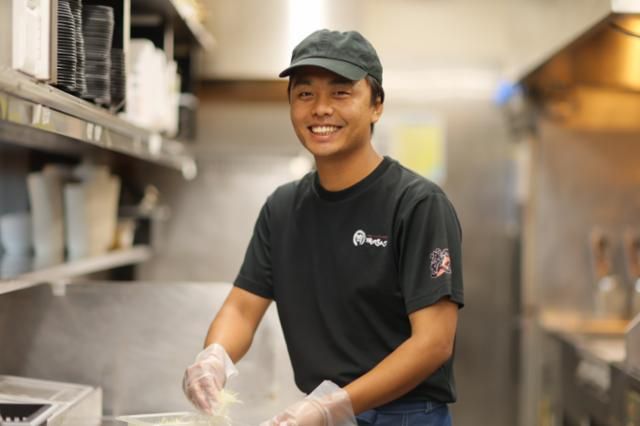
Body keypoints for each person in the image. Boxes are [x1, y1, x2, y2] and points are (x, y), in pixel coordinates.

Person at [183, 29, 464, 426]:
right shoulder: (282, 208)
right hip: (326, 412)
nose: (321, 109)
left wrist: (333, 406)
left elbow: (434, 343)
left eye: (341, 92)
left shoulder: (416, 204)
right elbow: (242, 309)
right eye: (305, 94)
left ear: (377, 105)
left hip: (403, 416)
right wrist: (214, 357)